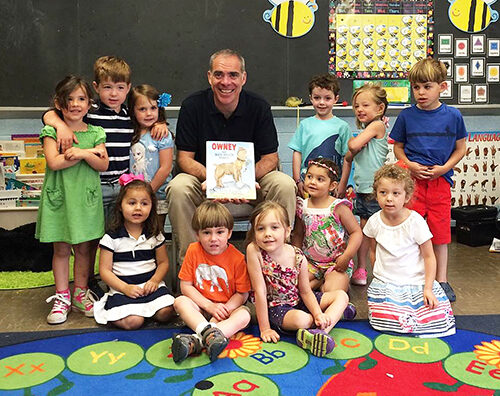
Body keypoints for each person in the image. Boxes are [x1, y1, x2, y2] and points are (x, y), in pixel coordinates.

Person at [43, 56, 168, 297]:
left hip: (121, 189)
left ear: (128, 89)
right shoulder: (90, 112)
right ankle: (86, 283)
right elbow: (50, 114)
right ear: (96, 88)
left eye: (120, 88)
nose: (113, 93)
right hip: (93, 187)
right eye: (107, 87)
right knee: (88, 240)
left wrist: (160, 122)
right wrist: (61, 126)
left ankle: (111, 279)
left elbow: (147, 115)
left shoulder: (128, 115)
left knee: (113, 237)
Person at [166, 49, 296, 264]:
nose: (225, 82)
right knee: (179, 187)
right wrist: (218, 184)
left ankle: (275, 265)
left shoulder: (258, 106)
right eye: (218, 74)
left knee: (284, 184)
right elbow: (184, 159)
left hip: (250, 187)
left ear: (243, 78)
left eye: (233, 75)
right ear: (209, 77)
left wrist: (242, 182)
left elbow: (270, 158)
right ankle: (193, 266)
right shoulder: (192, 106)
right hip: (205, 185)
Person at [390, 58, 467, 302]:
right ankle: (410, 277)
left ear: (442, 87)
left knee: (440, 233)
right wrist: (410, 165)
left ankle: (441, 280)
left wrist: (444, 168)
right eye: (416, 87)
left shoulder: (453, 116)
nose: (420, 93)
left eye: (427, 87)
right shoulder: (406, 116)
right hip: (410, 184)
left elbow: (461, 148)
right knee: (409, 230)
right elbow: (398, 148)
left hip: (440, 183)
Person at [35, 75, 109, 324]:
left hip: (85, 201)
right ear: (58, 103)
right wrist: (85, 153)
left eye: (81, 99)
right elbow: (54, 163)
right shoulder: (50, 130)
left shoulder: (97, 132)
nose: (76, 104)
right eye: (70, 99)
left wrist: (86, 152)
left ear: (89, 104)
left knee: (85, 249)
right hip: (61, 200)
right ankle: (61, 296)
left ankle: (79, 294)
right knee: (61, 249)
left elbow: (103, 163)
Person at [246, 201, 348, 357]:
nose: (267, 233)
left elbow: (306, 292)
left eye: (274, 227)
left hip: (299, 300)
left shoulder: (298, 256)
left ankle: (319, 332)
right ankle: (330, 318)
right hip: (277, 308)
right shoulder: (255, 251)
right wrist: (265, 328)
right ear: (254, 232)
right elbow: (260, 291)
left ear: (287, 231)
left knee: (341, 295)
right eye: (260, 229)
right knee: (304, 320)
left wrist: (317, 314)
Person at [364, 164, 455, 337]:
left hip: (416, 283)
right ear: (376, 194)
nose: (389, 198)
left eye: (396, 193)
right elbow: (373, 251)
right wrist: (379, 277)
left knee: (437, 318)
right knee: (382, 320)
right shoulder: (374, 221)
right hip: (387, 284)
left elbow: (429, 257)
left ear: (407, 196)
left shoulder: (416, 221)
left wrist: (428, 288)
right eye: (383, 192)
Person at [172, 200, 251, 363]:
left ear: (229, 233)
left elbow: (242, 294)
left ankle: (196, 341)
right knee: (180, 301)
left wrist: (226, 309)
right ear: (197, 234)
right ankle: (209, 334)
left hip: (226, 309)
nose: (213, 238)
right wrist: (208, 305)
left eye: (220, 232)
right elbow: (185, 286)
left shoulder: (238, 258)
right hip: (201, 307)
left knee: (244, 315)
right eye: (207, 233)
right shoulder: (193, 250)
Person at [93, 176, 175, 330]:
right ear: (120, 206)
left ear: (152, 207)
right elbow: (104, 271)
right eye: (132, 203)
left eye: (144, 203)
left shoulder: (154, 234)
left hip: (150, 287)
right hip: (122, 290)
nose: (138, 208)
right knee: (134, 322)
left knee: (167, 312)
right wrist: (125, 288)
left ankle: (147, 311)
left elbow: (163, 263)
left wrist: (155, 281)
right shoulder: (111, 238)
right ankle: (127, 314)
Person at [291, 158, 362, 317]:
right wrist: (296, 257)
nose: (312, 182)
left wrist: (347, 256)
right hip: (310, 263)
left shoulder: (338, 207)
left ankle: (324, 290)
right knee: (293, 286)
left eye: (320, 179)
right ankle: (318, 284)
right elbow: (299, 233)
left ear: (332, 186)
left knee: (333, 290)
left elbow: (357, 233)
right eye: (309, 177)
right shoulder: (303, 206)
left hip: (336, 263)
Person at [345, 83, 389, 286]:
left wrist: (354, 146)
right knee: (363, 232)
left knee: (374, 234)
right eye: (356, 106)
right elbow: (349, 156)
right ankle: (361, 269)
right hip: (363, 191)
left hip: (374, 191)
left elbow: (352, 147)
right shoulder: (367, 130)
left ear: (380, 109)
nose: (359, 110)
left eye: (365, 105)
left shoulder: (377, 125)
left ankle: (380, 272)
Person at [288, 74, 351, 197]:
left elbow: (347, 158)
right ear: (311, 98)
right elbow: (297, 153)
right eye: (317, 98)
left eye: (327, 98)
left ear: (335, 99)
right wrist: (297, 180)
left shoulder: (342, 126)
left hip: (332, 185)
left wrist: (343, 184)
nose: (322, 102)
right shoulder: (304, 125)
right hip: (308, 183)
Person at [128, 85, 174, 229]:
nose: (149, 113)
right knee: (132, 233)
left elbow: (165, 168)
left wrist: (147, 192)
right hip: (130, 197)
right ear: (132, 110)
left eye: (153, 108)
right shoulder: (127, 132)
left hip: (157, 195)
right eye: (142, 109)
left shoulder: (162, 135)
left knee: (155, 233)